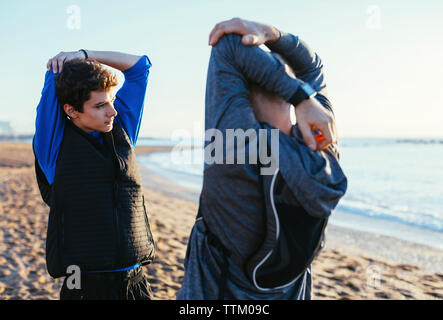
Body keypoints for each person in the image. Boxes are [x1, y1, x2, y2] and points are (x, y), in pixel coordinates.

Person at [177, 18, 347, 300]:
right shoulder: (323, 145)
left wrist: (301, 98)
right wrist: (272, 34)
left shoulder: (235, 144)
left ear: (239, 93)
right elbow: (312, 65)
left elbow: (228, 45)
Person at [33, 49, 155, 300]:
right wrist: (57, 68)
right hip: (85, 287)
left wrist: (85, 54)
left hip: (135, 284)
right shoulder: (53, 147)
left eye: (110, 101)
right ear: (71, 110)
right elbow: (51, 91)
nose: (112, 111)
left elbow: (139, 67)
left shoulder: (123, 131)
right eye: (100, 105)